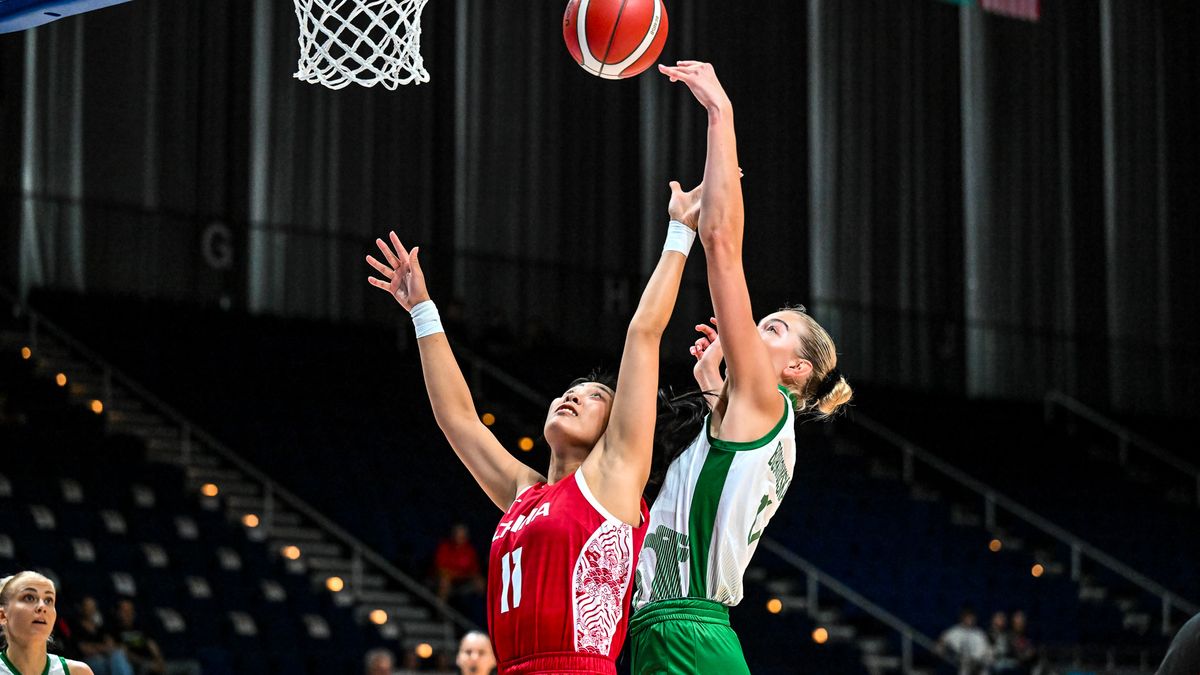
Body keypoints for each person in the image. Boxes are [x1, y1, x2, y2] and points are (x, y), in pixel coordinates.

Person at [365, 187, 697, 674]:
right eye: (571, 389)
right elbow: (458, 419)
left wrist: (680, 231)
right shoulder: (525, 492)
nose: (574, 395)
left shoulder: (613, 481)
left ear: (615, 427)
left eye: (595, 397)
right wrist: (422, 311)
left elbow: (643, 333)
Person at [629, 61, 853, 675]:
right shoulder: (745, 418)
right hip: (676, 632)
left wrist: (719, 113)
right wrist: (710, 396)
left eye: (772, 330)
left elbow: (723, 244)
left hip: (687, 634)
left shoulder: (766, 404)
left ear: (798, 371)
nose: (754, 332)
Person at [0, 571, 94, 675]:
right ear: (3, 615)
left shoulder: (78, 672)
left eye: (48, 600)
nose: (42, 606)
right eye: (29, 598)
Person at [111, 600, 198, 675]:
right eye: (125, 611)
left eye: (131, 611)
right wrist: (147, 663)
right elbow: (124, 654)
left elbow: (152, 645)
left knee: (193, 666)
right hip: (137, 665)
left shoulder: (140, 628)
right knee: (146, 668)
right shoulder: (115, 631)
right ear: (118, 613)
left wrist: (159, 661)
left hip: (154, 662)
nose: (129, 614)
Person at [72, 597, 132, 675]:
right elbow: (84, 648)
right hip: (87, 661)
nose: (90, 610)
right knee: (103, 662)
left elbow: (111, 645)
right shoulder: (77, 627)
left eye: (92, 607)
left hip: (104, 657)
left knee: (118, 655)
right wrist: (103, 648)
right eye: (88, 607)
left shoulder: (99, 628)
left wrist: (98, 647)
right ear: (82, 608)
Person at [433, 524, 485, 602]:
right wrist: (454, 574)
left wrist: (470, 576)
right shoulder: (445, 547)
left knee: (481, 582)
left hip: (463, 579)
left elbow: (474, 570)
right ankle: (440, 610)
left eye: (463, 536)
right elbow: (441, 569)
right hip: (447, 578)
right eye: (458, 536)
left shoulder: (469, 550)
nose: (461, 538)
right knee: (444, 582)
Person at [936, 606, 991, 675]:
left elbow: (986, 649)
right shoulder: (954, 631)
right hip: (961, 663)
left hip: (977, 664)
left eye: (972, 618)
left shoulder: (979, 633)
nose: (970, 620)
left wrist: (983, 659)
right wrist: (940, 647)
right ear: (963, 618)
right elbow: (942, 640)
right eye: (968, 617)